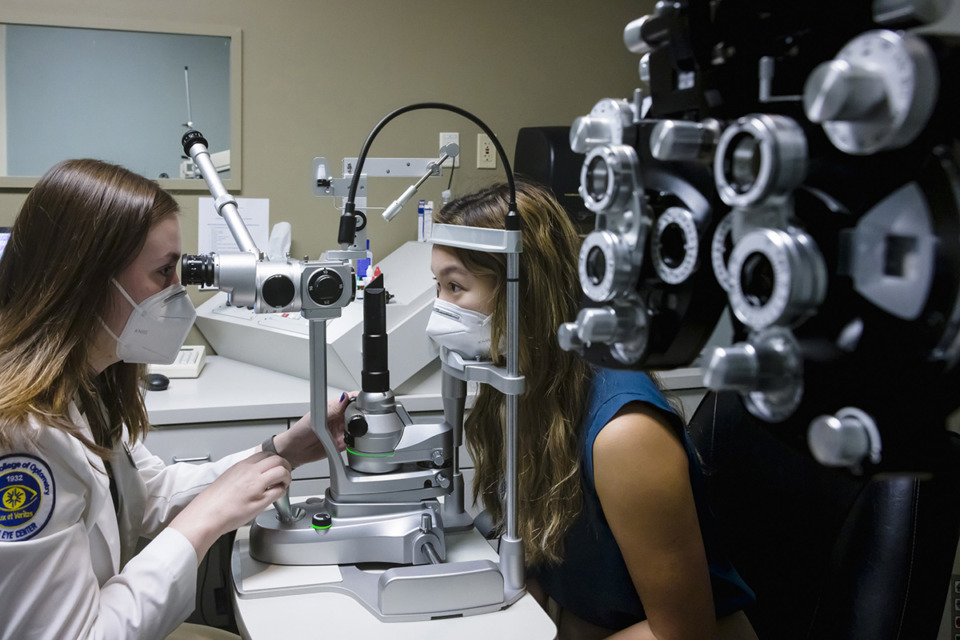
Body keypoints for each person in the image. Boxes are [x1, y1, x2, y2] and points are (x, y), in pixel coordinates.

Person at [0, 159, 347, 640]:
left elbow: (149, 493)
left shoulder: (88, 384)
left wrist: (285, 449)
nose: (177, 292)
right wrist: (205, 522)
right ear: (85, 280)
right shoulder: (22, 438)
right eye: (163, 272)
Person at [427, 180, 757, 640]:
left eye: (455, 286)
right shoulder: (523, 391)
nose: (439, 309)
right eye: (437, 285)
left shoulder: (624, 433)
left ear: (526, 292)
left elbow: (683, 632)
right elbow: (543, 558)